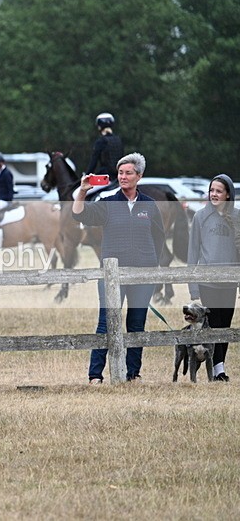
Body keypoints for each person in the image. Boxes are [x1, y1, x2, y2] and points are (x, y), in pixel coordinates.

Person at [73, 152, 165, 383]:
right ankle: (95, 375)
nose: (123, 177)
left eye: (128, 173)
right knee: (106, 322)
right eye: (120, 173)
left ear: (139, 176)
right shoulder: (108, 203)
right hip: (111, 276)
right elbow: (79, 214)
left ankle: (133, 374)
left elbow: (159, 239)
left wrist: (151, 267)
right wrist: (83, 190)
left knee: (136, 324)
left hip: (142, 275)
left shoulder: (150, 206)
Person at [187, 174, 239, 382]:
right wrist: (193, 288)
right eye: (212, 191)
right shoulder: (201, 217)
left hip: (228, 282)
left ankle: (219, 369)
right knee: (212, 324)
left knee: (224, 327)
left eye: (219, 191)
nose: (214, 194)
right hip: (207, 282)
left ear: (228, 195)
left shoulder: (236, 217)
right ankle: (210, 367)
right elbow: (192, 253)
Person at [86, 112, 125, 181]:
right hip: (119, 177)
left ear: (99, 126)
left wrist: (87, 175)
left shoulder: (101, 141)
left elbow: (94, 161)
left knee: (88, 191)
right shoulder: (118, 140)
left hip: (104, 178)